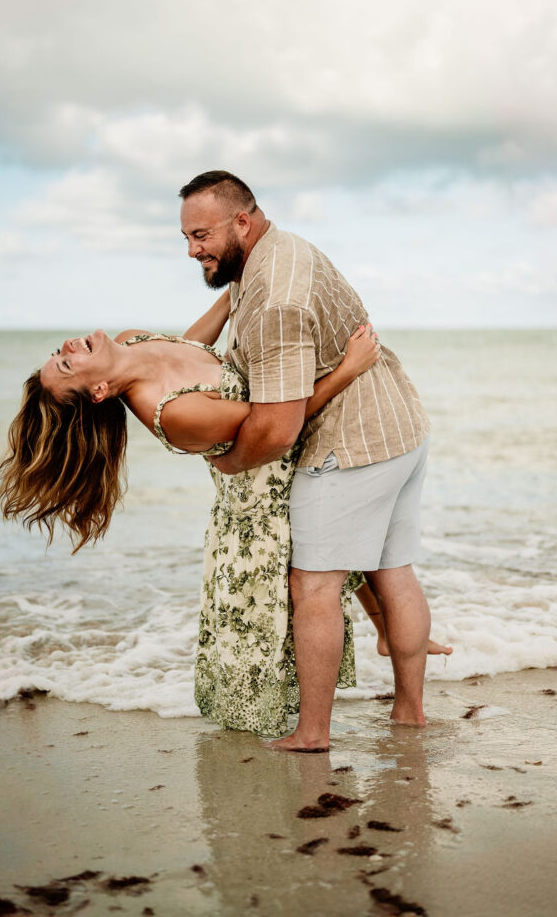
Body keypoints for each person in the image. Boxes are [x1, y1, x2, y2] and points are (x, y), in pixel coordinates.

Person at [0, 307, 387, 736]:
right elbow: (273, 422)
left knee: (352, 557)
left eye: (57, 353)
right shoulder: (174, 415)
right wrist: (348, 369)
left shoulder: (133, 340)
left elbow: (186, 350)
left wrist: (235, 291)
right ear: (100, 391)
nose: (67, 346)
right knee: (315, 589)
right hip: (263, 502)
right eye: (66, 364)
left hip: (289, 464)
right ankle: (309, 726)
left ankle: (387, 637)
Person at [180, 170, 435, 748]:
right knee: (393, 572)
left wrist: (231, 463)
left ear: (241, 221)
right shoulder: (276, 252)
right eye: (187, 238)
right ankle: (409, 712)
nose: (193, 250)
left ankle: (313, 733)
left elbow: (278, 428)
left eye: (201, 235)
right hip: (398, 426)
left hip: (349, 445)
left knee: (312, 587)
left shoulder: (276, 298)